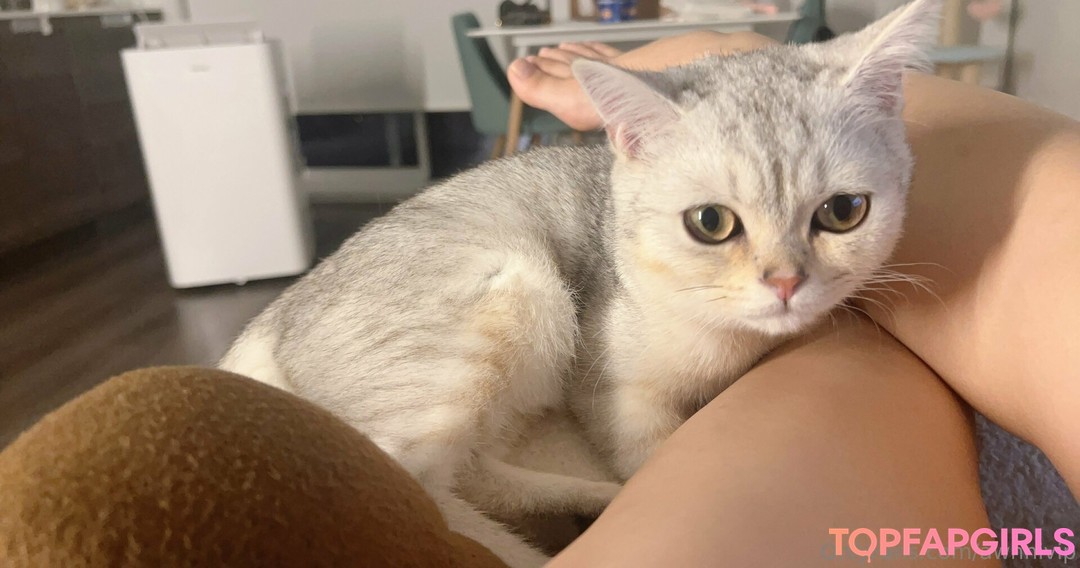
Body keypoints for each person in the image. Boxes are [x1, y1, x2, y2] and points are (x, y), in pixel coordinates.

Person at [1, 31, 1076, 567]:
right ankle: (694, 65)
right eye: (718, 224)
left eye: (838, 213)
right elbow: (626, 391)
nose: (783, 273)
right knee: (530, 311)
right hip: (430, 283)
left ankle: (704, 63)